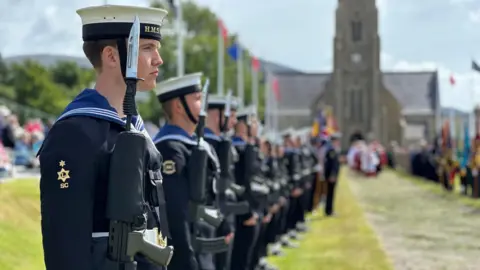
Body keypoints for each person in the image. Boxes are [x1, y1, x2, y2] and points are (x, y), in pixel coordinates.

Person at [38, 5, 169, 270]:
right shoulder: (75, 133)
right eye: (147, 48)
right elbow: (65, 245)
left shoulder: (136, 131)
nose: (158, 59)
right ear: (111, 55)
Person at [153, 73, 212, 270]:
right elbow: (176, 213)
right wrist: (188, 261)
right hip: (186, 253)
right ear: (179, 106)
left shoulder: (190, 144)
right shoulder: (169, 148)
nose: (203, 105)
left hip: (200, 245)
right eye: (197, 99)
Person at [324, 133, 341, 216]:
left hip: (333, 175)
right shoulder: (331, 150)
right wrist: (332, 175)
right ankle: (329, 211)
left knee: (331, 193)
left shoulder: (333, 149)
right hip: (331, 175)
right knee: (330, 193)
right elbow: (332, 165)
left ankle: (330, 210)